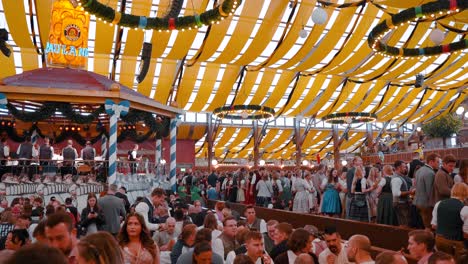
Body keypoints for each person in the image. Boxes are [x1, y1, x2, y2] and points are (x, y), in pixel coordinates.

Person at [431, 182, 468, 259]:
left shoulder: (439, 204)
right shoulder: (465, 209)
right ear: (466, 193)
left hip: (439, 241)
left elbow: (434, 226)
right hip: (456, 244)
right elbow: (466, 235)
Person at [413, 153, 440, 230]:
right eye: (437, 162)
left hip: (418, 201)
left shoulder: (419, 170)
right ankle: (427, 241)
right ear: (431, 162)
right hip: (426, 203)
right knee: (429, 226)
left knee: (426, 224)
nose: (439, 164)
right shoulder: (430, 173)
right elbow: (430, 191)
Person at [391, 160, 414, 227]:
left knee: (405, 222)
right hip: (401, 204)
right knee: (404, 223)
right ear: (398, 168)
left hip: (402, 203)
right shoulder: (396, 179)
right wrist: (410, 192)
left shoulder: (399, 177)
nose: (405, 169)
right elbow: (396, 193)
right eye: (404, 167)